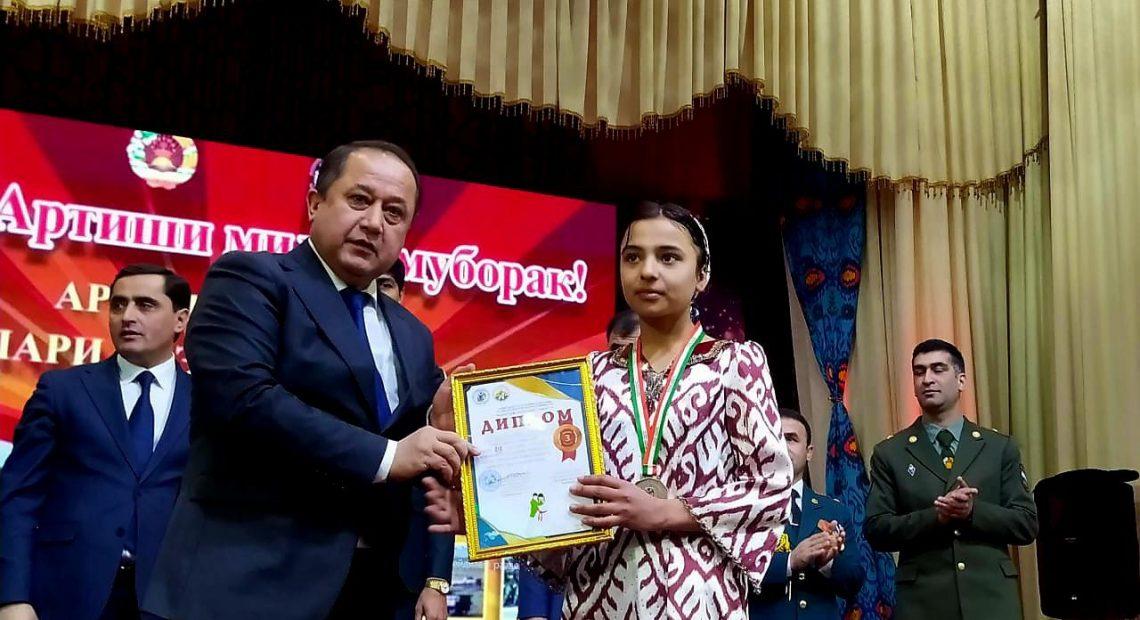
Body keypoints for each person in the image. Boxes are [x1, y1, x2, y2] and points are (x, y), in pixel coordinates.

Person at [142, 141, 475, 620]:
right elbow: (245, 400)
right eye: (359, 199)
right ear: (315, 203)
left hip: (375, 588)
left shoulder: (413, 334)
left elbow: (410, 448)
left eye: (394, 213)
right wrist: (389, 456)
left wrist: (439, 430)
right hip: (247, 583)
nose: (375, 222)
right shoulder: (250, 278)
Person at [428, 201, 793, 619]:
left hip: (698, 597)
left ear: (702, 275)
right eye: (633, 257)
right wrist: (487, 514)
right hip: (598, 594)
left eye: (668, 257)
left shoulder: (735, 363)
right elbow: (558, 494)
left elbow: (772, 487)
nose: (647, 271)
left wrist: (664, 512)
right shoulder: (588, 376)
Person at [0, 264, 193, 620]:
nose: (127, 316)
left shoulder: (207, 403)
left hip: (166, 600)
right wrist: (11, 597)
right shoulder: (63, 391)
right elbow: (17, 496)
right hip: (64, 593)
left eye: (145, 305)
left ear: (180, 320)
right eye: (118, 304)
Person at [865, 339, 1038, 620]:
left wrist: (972, 512)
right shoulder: (891, 452)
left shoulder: (998, 447)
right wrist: (935, 517)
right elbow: (877, 529)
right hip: (924, 603)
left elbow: (1026, 523)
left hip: (990, 600)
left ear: (961, 380)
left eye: (938, 369)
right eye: (919, 372)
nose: (927, 379)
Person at [516, 309, 642, 620]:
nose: (623, 360)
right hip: (584, 583)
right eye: (616, 350)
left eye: (634, 350)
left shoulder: (681, 418)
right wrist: (533, 612)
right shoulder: (576, 405)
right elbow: (545, 506)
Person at [378, 256, 455, 620]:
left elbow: (441, 477)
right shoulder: (316, 360)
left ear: (402, 293)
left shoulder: (427, 372)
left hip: (402, 568)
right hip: (321, 562)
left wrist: (436, 581)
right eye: (368, 286)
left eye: (385, 285)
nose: (377, 295)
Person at [749, 408, 864, 619]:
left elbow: (853, 583)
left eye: (791, 439)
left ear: (809, 452)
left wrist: (828, 563)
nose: (782, 445)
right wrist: (790, 561)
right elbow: (733, 572)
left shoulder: (833, 510)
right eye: (775, 437)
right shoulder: (743, 508)